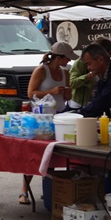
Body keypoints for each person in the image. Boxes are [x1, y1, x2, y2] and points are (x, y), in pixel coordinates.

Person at [20, 41, 77, 203]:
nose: (69, 62)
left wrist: (67, 92)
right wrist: (51, 91)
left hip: (59, 116)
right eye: (67, 58)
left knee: (52, 154)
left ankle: (49, 188)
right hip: (41, 118)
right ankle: (24, 191)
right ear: (58, 58)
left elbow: (67, 97)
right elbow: (31, 93)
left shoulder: (65, 73)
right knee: (35, 153)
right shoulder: (41, 70)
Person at [78, 41, 111, 124]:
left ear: (100, 59)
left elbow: (104, 101)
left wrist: (79, 115)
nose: (88, 68)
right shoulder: (104, 74)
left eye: (89, 64)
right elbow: (98, 99)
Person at [69, 38, 111, 109]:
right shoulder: (81, 62)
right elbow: (71, 83)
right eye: (110, 51)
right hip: (80, 104)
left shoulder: (108, 66)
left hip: (95, 103)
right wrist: (87, 76)